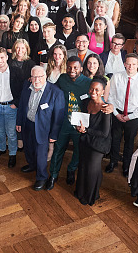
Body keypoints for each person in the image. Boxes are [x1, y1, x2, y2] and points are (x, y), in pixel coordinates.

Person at [47, 57, 93, 190]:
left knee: (78, 151)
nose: (72, 70)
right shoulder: (62, 78)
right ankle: (53, 175)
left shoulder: (88, 82)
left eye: (75, 68)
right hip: (64, 122)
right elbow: (52, 90)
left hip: (80, 124)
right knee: (58, 150)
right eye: (69, 67)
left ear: (81, 69)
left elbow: (98, 97)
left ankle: (71, 170)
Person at [16, 65, 65, 190]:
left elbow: (58, 117)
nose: (36, 80)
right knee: (29, 148)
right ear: (30, 78)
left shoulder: (56, 92)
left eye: (40, 77)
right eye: (34, 77)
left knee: (41, 155)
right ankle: (32, 165)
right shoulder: (27, 88)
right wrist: (19, 122)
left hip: (43, 129)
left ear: (46, 77)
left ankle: (41, 177)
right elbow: (22, 106)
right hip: (28, 124)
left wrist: (54, 135)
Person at [106, 53, 138, 176]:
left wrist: (130, 116)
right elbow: (110, 96)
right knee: (114, 139)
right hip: (117, 114)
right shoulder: (116, 77)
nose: (130, 67)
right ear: (124, 64)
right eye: (128, 64)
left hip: (133, 116)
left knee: (129, 142)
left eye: (133, 64)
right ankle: (113, 162)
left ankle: (126, 166)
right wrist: (116, 113)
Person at [74, 77, 112, 205]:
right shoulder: (85, 102)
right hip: (85, 139)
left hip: (99, 144)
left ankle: (90, 196)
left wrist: (86, 130)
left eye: (97, 89)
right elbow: (81, 119)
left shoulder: (106, 109)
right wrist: (78, 127)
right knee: (83, 166)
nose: (93, 91)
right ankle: (80, 192)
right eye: (91, 88)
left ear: (102, 91)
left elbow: (104, 133)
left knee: (92, 170)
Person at [0, 48, 23, 168]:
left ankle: (12, 154)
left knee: (11, 133)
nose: (0, 60)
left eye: (2, 57)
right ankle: (1, 148)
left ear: (7, 57)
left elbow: (21, 90)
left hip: (11, 107)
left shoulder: (16, 71)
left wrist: (16, 103)